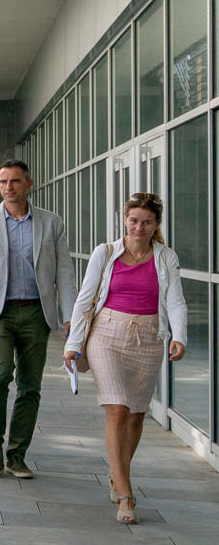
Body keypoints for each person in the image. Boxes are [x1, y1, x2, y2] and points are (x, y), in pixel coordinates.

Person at [63, 192, 187, 525]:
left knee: (135, 415)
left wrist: (179, 336)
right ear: (125, 220)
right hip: (107, 334)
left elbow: (175, 302)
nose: (139, 227)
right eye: (134, 220)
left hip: (148, 338)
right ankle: (127, 493)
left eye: (147, 222)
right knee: (116, 409)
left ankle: (117, 474)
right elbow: (84, 301)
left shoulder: (165, 258)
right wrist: (73, 345)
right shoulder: (105, 253)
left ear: (156, 224)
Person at [0, 159, 74, 479]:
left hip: (36, 312)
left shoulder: (51, 223)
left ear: (29, 184)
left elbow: (64, 272)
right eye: (3, 182)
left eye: (15, 181)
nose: (9, 187)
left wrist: (70, 316)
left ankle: (17, 452)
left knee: (30, 386)